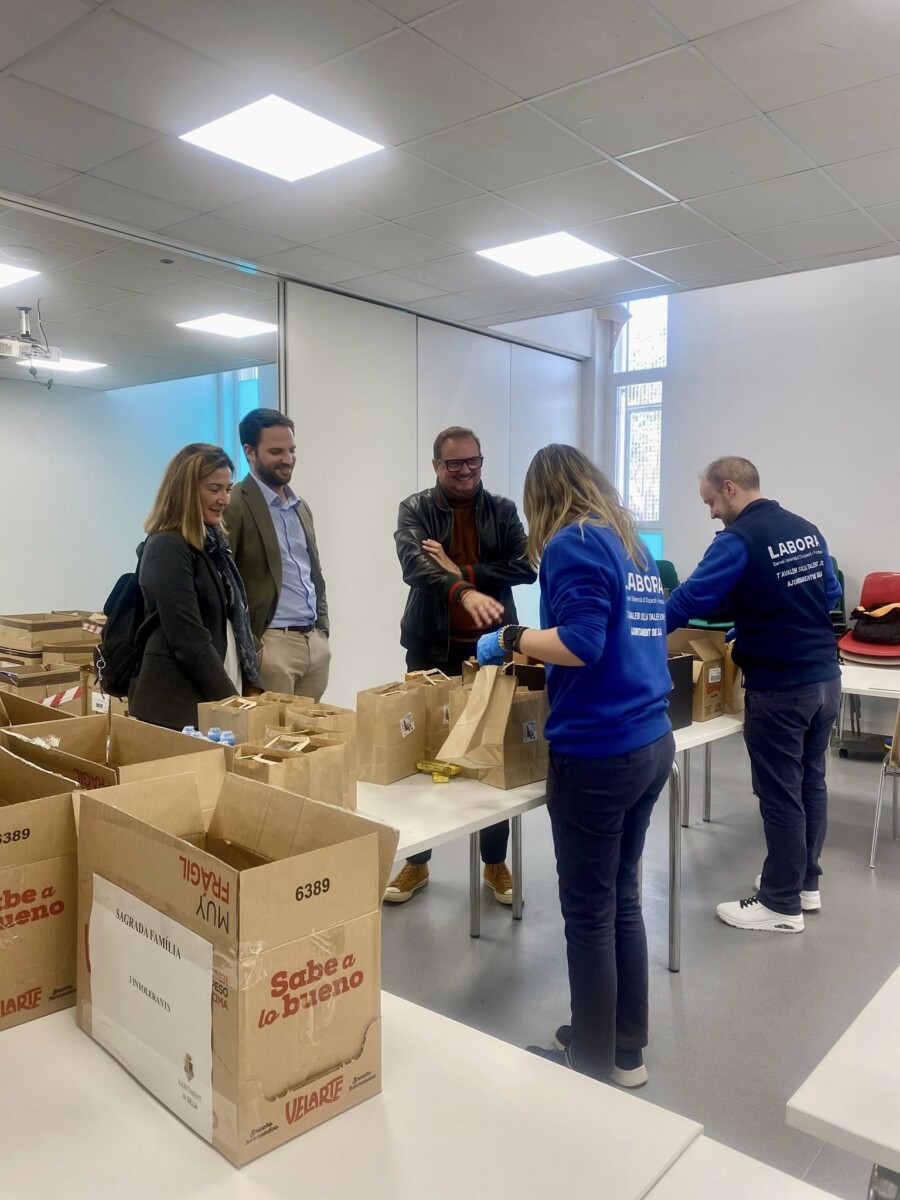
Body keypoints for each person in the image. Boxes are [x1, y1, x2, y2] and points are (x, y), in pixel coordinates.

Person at [477, 444, 674, 1087]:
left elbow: (582, 644)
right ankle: (624, 1050)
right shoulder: (631, 545)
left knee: (589, 911)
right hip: (649, 739)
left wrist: (509, 637)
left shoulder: (572, 543)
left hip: (599, 751)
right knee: (622, 900)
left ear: (542, 497)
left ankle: (587, 1062)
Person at [666, 456, 842, 933]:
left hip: (782, 687)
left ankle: (780, 903)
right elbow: (830, 593)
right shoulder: (807, 529)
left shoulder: (738, 540)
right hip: (826, 679)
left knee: (780, 792)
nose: (711, 513)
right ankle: (804, 883)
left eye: (710, 502)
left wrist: (640, 632)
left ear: (730, 488)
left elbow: (688, 601)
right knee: (811, 783)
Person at [385, 425, 537, 905]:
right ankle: (416, 862)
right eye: (455, 464)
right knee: (424, 755)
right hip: (431, 648)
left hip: (492, 650)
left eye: (473, 461)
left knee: (492, 754)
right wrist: (462, 589)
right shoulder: (416, 509)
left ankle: (494, 861)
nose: (466, 470)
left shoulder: (503, 510)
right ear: (436, 466)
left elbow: (526, 566)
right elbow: (414, 565)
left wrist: (462, 570)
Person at [129, 443, 261, 731]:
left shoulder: (212, 545)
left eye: (228, 489)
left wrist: (249, 686)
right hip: (177, 706)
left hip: (213, 695)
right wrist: (230, 702)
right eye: (214, 489)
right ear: (185, 490)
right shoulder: (167, 545)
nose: (224, 499)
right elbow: (187, 637)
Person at [226, 408, 331, 701]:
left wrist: (322, 630)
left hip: (313, 644)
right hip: (271, 645)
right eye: (276, 451)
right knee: (271, 741)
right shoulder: (234, 504)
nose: (287, 459)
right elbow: (224, 585)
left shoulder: (301, 507)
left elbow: (313, 573)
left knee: (309, 741)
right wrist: (254, 649)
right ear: (250, 452)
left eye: (291, 450)